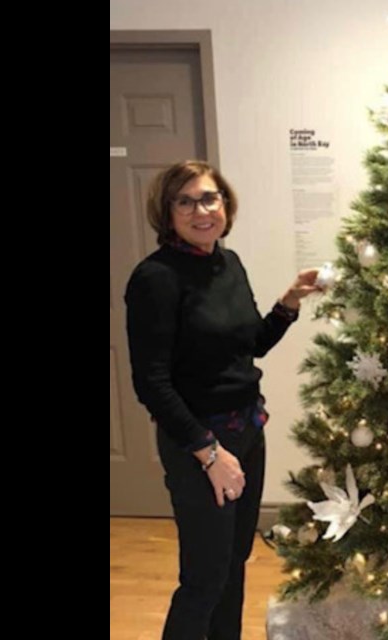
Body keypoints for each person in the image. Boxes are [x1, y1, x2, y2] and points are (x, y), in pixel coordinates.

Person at [125, 160, 320, 640]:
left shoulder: (227, 263)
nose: (200, 210)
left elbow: (250, 343)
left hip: (248, 430)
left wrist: (290, 300)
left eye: (209, 198)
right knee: (204, 579)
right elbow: (151, 383)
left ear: (225, 205)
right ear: (166, 213)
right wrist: (210, 454)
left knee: (235, 563)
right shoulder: (155, 278)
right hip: (200, 442)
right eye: (185, 201)